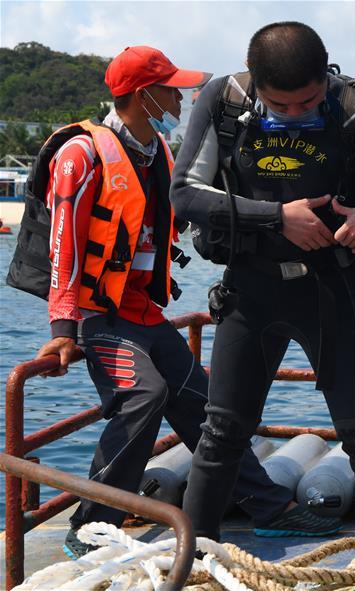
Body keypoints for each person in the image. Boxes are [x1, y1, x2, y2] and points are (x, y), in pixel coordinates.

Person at [33, 46, 337, 560]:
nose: (180, 99)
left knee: (208, 405)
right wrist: (63, 330)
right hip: (96, 315)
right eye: (171, 90)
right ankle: (92, 524)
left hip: (143, 313)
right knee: (144, 395)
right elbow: (64, 243)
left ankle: (266, 507)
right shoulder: (81, 155)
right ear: (143, 96)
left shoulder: (157, 152)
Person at [172, 22, 355, 547]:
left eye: (308, 101)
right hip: (250, 290)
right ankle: (193, 562)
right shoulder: (224, 101)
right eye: (280, 105)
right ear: (255, 82)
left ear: (326, 76)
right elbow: (185, 194)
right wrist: (277, 217)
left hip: (333, 289)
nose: (295, 113)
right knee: (222, 434)